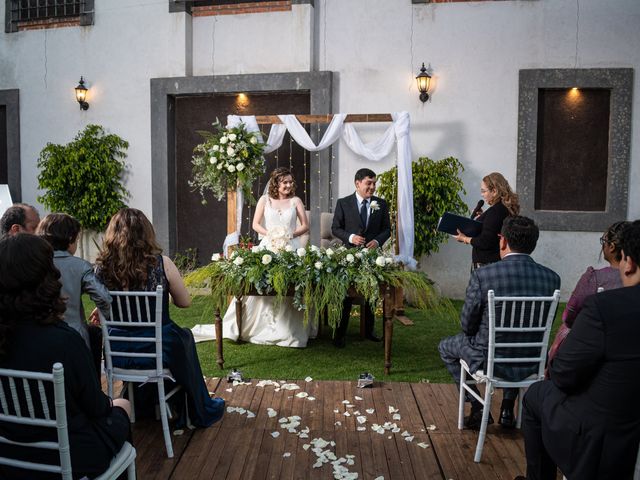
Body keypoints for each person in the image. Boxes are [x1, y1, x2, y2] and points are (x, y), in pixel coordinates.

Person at [0, 234, 131, 479]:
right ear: (46, 278)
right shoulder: (64, 340)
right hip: (67, 456)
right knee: (121, 407)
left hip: (9, 454)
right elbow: (97, 408)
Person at [518, 220, 640, 480]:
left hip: (600, 435)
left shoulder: (604, 307)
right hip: (628, 420)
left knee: (535, 395)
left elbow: (562, 374)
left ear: (627, 262)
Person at [95, 207, 224, 428]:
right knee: (184, 338)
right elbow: (185, 302)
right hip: (155, 350)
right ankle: (194, 406)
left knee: (181, 338)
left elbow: (103, 306)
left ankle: (144, 401)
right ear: (146, 233)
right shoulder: (161, 264)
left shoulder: (100, 269)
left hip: (118, 351)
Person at [438, 216, 560, 429]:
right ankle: (507, 407)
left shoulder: (484, 275)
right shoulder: (552, 278)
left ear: (502, 241)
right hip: (532, 360)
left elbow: (467, 325)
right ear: (533, 243)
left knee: (446, 346)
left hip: (488, 359)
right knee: (516, 338)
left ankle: (477, 406)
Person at [194, 167, 314, 347]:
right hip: (268, 245)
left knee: (291, 283)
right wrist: (271, 234)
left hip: (290, 245)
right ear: (276, 184)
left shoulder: (296, 201)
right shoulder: (264, 200)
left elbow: (305, 226)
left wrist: (289, 235)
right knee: (259, 282)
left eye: (290, 182)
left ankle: (290, 330)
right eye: (285, 182)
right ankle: (256, 326)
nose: (289, 185)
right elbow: (256, 225)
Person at [37, 213, 111, 375]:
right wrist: (108, 317)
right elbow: (104, 299)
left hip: (37, 337)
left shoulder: (33, 264)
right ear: (70, 238)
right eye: (77, 240)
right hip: (75, 337)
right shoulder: (80, 266)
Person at [546, 221, 627, 368]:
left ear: (612, 247)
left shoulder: (595, 278)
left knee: (566, 329)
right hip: (627, 350)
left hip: (593, 351)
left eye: (604, 241)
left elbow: (569, 316)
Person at [331, 168, 391, 348]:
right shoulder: (343, 203)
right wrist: (350, 237)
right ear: (357, 184)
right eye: (369, 183)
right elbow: (335, 228)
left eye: (374, 183)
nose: (372, 187)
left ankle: (369, 331)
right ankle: (340, 334)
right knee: (345, 295)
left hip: (372, 257)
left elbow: (387, 229)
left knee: (372, 293)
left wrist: (377, 241)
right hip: (348, 256)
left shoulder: (381, 204)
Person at [455, 172, 519, 269]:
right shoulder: (503, 209)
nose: (482, 195)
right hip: (494, 263)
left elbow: (485, 241)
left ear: (494, 191)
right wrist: (484, 217)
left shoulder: (495, 211)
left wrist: (464, 238)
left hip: (486, 266)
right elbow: (493, 228)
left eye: (484, 191)